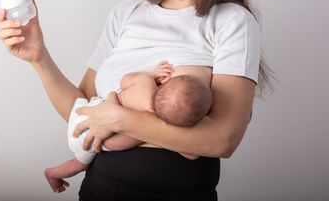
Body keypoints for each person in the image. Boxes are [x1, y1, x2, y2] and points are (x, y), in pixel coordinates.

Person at [0, 0, 272, 201]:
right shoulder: (126, 13)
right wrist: (39, 57)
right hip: (100, 190)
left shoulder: (232, 22)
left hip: (178, 196)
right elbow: (84, 111)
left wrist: (121, 119)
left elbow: (223, 139)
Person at [44, 60, 213, 193]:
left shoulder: (145, 83)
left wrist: (151, 74)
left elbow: (125, 80)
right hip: (88, 134)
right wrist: (145, 138)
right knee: (78, 164)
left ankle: (112, 102)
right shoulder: (142, 126)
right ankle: (52, 173)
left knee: (112, 95)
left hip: (89, 109)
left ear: (168, 80)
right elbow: (110, 144)